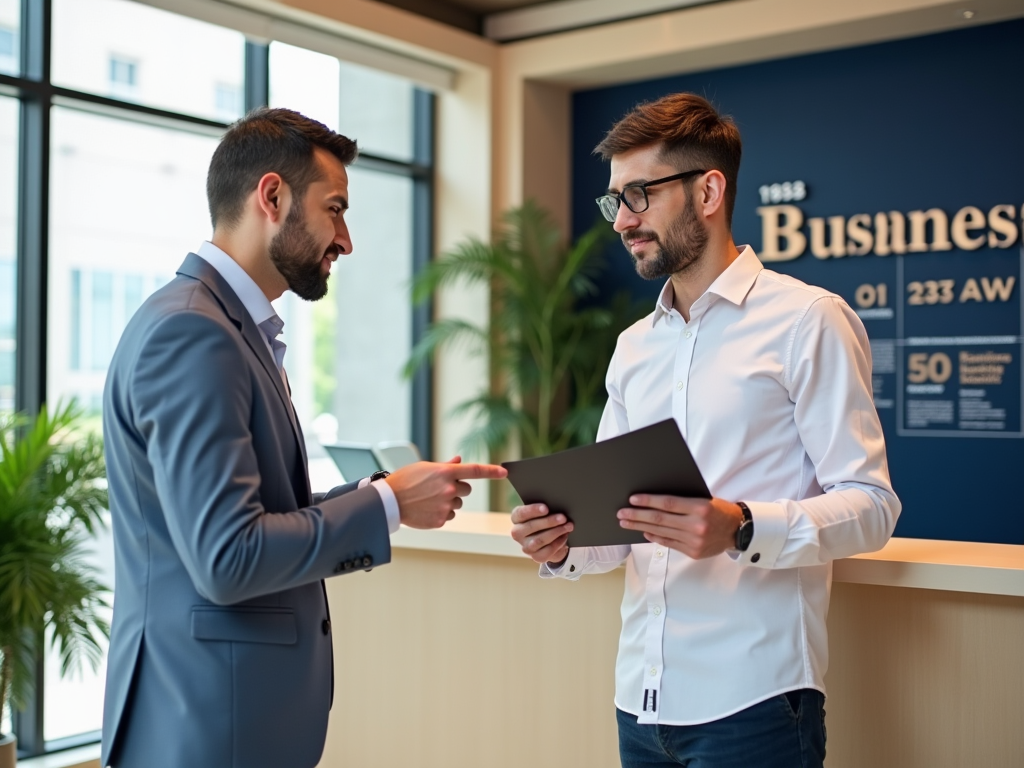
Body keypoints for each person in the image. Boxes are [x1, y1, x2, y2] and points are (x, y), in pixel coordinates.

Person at [100, 108, 507, 768]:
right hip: (208, 725)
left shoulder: (219, 327)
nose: (345, 240)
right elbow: (229, 557)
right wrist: (387, 506)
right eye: (335, 209)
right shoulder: (195, 335)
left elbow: (254, 514)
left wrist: (384, 493)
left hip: (218, 716)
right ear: (272, 196)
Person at [510, 93, 900, 768]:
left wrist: (742, 526)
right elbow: (619, 528)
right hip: (641, 698)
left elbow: (872, 507)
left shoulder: (808, 320)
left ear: (709, 190)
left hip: (755, 701)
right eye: (615, 202)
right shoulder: (634, 346)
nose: (622, 221)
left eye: (638, 195)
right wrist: (561, 541)